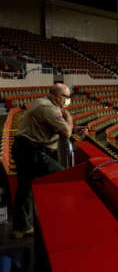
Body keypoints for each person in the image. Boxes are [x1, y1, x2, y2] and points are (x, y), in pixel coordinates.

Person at [12, 83, 74, 238]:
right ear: (55, 96)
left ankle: (21, 227)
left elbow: (53, 124)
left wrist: (64, 119)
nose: (68, 100)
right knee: (62, 177)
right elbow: (66, 132)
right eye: (66, 97)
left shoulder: (47, 104)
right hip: (30, 150)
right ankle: (53, 223)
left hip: (25, 148)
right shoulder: (48, 108)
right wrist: (69, 119)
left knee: (24, 189)